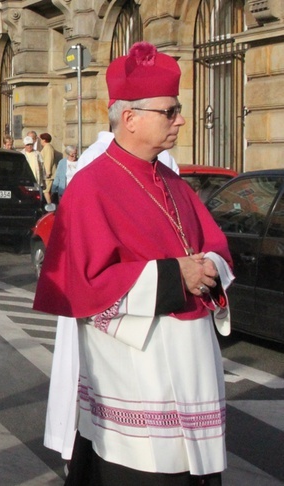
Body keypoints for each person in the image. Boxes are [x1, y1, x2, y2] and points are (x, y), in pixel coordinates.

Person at [33, 42, 234, 484]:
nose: (180, 119)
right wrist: (172, 275)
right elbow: (83, 284)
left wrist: (212, 268)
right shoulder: (91, 186)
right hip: (137, 374)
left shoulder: (172, 182)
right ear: (130, 118)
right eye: (171, 111)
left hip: (193, 366)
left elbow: (214, 245)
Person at [39, 132, 55, 203]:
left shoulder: (48, 147)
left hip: (48, 175)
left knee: (46, 191)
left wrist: (47, 172)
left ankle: (50, 206)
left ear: (44, 140)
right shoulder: (47, 147)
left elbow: (49, 160)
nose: (40, 141)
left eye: (41, 139)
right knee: (46, 191)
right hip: (46, 173)